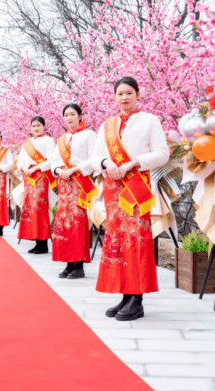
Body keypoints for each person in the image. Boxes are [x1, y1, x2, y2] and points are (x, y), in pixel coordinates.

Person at [90, 77, 169, 321]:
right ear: (114, 97)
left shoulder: (149, 121)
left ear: (137, 94)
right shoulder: (107, 125)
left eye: (129, 93)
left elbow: (162, 154)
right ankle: (125, 294)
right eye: (120, 94)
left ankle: (137, 298)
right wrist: (106, 162)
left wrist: (134, 162)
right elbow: (96, 158)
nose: (124, 97)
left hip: (136, 189)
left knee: (137, 240)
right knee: (117, 241)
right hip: (114, 189)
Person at [50, 104, 97, 279]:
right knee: (64, 223)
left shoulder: (89, 135)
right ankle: (68, 263)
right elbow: (54, 161)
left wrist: (74, 169)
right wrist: (58, 171)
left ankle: (79, 265)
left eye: (72, 114)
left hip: (79, 183)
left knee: (77, 222)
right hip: (63, 184)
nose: (69, 118)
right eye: (66, 115)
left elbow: (94, 159)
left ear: (80, 116)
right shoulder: (61, 139)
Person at [17, 117, 56, 254]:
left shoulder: (48, 141)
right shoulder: (28, 143)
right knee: (30, 208)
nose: (36, 128)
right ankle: (36, 240)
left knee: (40, 208)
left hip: (41, 177)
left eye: (38, 125)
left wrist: (35, 168)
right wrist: (23, 168)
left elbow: (51, 160)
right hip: (29, 178)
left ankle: (43, 242)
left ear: (44, 126)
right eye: (33, 126)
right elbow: (20, 161)